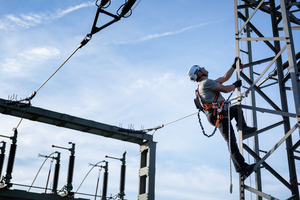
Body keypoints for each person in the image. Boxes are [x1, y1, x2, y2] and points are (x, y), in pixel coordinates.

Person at [187, 57, 256, 177]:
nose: (204, 68)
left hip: (218, 113)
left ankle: (243, 128)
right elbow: (225, 89)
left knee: (236, 110)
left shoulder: (206, 83)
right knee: (231, 141)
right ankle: (242, 168)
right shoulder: (206, 83)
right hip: (218, 114)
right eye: (201, 68)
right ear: (199, 72)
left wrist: (233, 66)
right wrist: (235, 85)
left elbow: (224, 78)